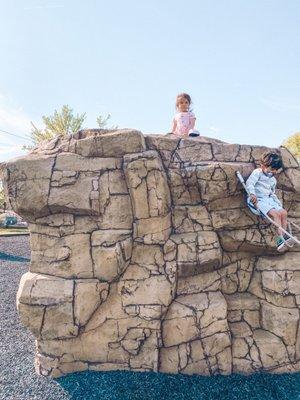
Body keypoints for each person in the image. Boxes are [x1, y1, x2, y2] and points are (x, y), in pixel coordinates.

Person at [246, 151, 293, 251]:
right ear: (263, 166)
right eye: (272, 169)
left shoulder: (273, 180)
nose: (274, 172)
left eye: (276, 170)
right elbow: (250, 183)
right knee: (276, 214)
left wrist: (278, 204)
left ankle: (284, 236)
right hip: (258, 200)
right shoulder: (257, 172)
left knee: (283, 213)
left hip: (268, 200)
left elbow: (272, 193)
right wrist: (252, 194)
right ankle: (280, 238)